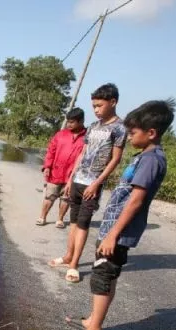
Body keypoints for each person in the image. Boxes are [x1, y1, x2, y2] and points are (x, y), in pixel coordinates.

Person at [66, 99, 176, 330]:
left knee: (102, 275)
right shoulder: (145, 156)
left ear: (151, 133)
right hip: (114, 229)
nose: (129, 135)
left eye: (133, 131)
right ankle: (93, 318)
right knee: (108, 274)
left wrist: (112, 235)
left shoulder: (152, 160)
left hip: (118, 231)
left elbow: (136, 200)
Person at [49, 83, 127, 283]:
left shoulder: (119, 128)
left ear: (113, 102)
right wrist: (70, 179)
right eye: (93, 106)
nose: (96, 110)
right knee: (73, 222)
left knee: (83, 224)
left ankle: (74, 265)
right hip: (77, 180)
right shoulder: (93, 127)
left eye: (99, 106)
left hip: (93, 184)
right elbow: (82, 154)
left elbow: (115, 159)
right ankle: (68, 256)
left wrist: (97, 183)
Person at [36, 108, 87, 228]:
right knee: (49, 196)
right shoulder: (60, 135)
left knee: (66, 199)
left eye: (72, 122)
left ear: (81, 121)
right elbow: (51, 151)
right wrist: (47, 166)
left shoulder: (87, 137)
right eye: (68, 121)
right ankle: (42, 217)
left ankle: (60, 219)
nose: (68, 124)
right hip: (56, 172)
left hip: (73, 175)